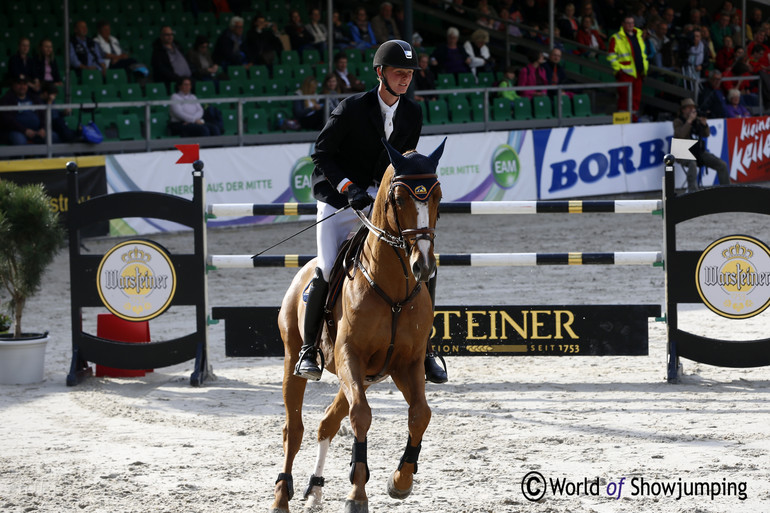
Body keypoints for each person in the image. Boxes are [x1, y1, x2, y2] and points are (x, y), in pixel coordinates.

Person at [294, 40, 447, 385]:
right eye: (399, 73)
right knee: (326, 266)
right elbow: (321, 154)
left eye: (409, 74)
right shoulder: (351, 109)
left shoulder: (412, 113)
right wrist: (349, 189)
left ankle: (426, 349)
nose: (405, 79)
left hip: (380, 206)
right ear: (381, 73)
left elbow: (403, 162)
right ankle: (308, 349)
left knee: (423, 261)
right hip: (339, 201)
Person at [673, 97, 729, 192]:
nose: (692, 110)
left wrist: (704, 124)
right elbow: (681, 134)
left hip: (697, 150)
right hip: (682, 150)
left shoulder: (697, 120)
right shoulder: (678, 121)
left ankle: (728, 191)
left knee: (722, 165)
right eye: (689, 108)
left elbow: (706, 134)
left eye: (693, 108)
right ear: (683, 110)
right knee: (692, 163)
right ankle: (692, 191)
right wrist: (689, 121)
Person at [608, 16, 648, 121]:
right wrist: (619, 70)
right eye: (628, 23)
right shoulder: (616, 37)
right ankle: (622, 122)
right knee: (624, 99)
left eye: (632, 23)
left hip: (638, 73)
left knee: (636, 99)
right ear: (623, 24)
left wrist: (645, 69)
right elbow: (611, 56)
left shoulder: (638, 36)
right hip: (625, 73)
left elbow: (642, 54)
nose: (631, 25)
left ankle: (633, 119)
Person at [0, 74, 57, 145]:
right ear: (13, 85)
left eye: (24, 84)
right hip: (17, 131)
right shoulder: (6, 99)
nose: (22, 87)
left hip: (37, 131)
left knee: (53, 136)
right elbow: (8, 120)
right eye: (19, 84)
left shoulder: (34, 98)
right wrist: (25, 130)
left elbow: (43, 114)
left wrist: (43, 128)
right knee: (19, 141)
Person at [151, 26, 192, 92]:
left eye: (171, 34)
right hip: (174, 81)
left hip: (187, 78)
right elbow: (162, 69)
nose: (170, 37)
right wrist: (178, 78)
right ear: (161, 36)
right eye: (167, 35)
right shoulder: (158, 51)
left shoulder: (178, 46)